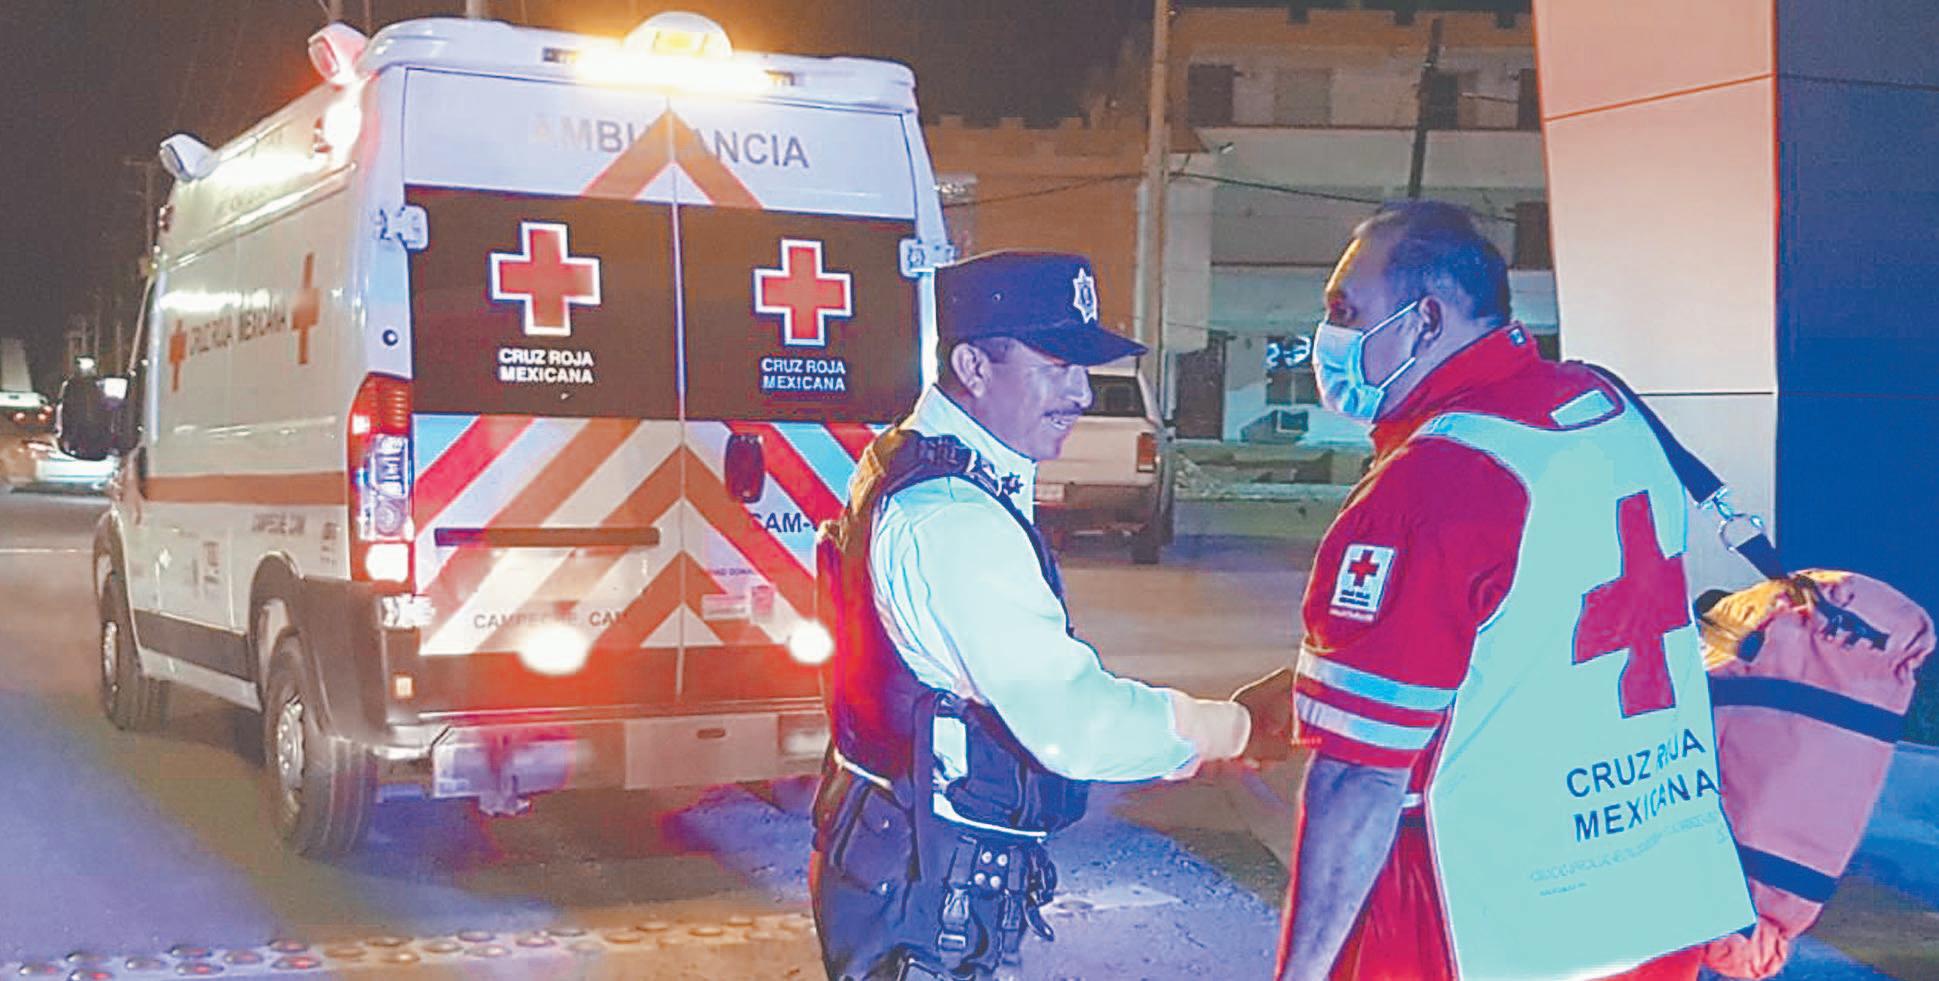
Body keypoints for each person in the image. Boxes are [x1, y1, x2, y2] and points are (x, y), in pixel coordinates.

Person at [1269, 201, 1753, 981]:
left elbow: (1361, 773)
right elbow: (1526, 633)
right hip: (1654, 906)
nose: (1328, 335)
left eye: (1344, 311)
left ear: (1425, 320)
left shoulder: (1436, 481)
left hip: (1488, 926)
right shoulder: (1605, 411)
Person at [810, 250, 1279, 981]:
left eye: (1083, 369)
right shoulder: (954, 517)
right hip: (922, 893)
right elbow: (1075, 725)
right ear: (972, 365)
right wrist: (1234, 727)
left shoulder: (927, 464)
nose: (1081, 393)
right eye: (1056, 365)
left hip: (902, 864)